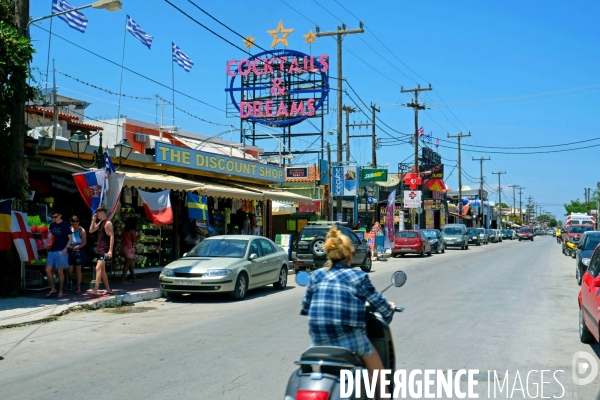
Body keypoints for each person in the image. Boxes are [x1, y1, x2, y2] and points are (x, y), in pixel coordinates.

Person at [300, 226, 395, 397]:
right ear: (350, 255)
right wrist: (390, 309)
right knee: (380, 379)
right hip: (351, 341)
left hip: (318, 343)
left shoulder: (316, 275)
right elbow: (379, 304)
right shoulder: (358, 277)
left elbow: (306, 307)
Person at [45, 210, 73, 299]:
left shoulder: (65, 225)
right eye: (52, 217)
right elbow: (49, 236)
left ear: (60, 215)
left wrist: (66, 248)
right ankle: (53, 288)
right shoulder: (52, 224)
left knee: (60, 271)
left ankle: (61, 291)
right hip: (52, 250)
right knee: (48, 270)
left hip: (61, 250)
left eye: (55, 217)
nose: (54, 218)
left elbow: (70, 238)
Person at [89, 205, 113, 295]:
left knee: (98, 268)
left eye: (98, 213)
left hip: (105, 249)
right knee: (102, 271)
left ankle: (95, 289)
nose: (97, 214)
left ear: (102, 212)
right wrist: (93, 220)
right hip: (100, 248)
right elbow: (91, 230)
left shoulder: (108, 223)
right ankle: (108, 289)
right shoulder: (100, 222)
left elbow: (112, 237)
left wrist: (110, 250)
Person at [67, 215, 87, 294]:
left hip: (79, 251)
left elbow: (84, 242)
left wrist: (76, 247)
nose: (74, 226)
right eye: (72, 224)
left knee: (78, 269)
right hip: (70, 251)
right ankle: (70, 280)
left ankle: (78, 286)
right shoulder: (69, 229)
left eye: (75, 224)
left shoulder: (82, 230)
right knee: (70, 269)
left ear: (78, 223)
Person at [120, 217, 140, 284]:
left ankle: (134, 278)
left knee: (130, 264)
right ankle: (123, 280)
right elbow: (134, 240)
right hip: (130, 248)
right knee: (127, 264)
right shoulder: (132, 230)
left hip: (123, 247)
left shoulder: (124, 229)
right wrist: (139, 237)